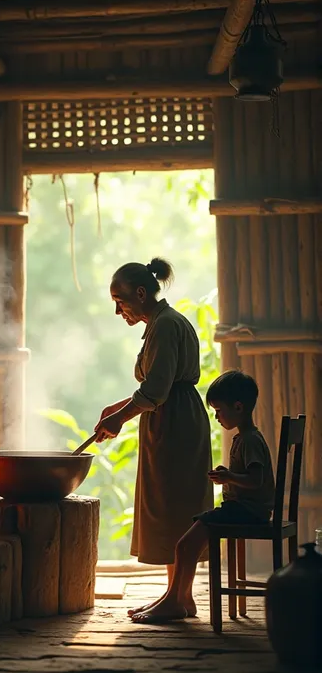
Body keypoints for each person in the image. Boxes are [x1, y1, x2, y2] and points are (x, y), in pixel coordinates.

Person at [94, 257, 214, 618]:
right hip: (170, 419)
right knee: (168, 508)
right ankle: (177, 595)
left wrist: (119, 418)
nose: (118, 311)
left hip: (175, 423)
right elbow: (152, 387)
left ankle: (179, 598)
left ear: (141, 293)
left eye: (120, 301)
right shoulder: (161, 323)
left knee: (175, 507)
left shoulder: (165, 326)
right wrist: (115, 408)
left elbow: (157, 391)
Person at [130, 369, 275, 623]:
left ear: (238, 407)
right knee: (186, 544)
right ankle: (178, 598)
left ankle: (176, 601)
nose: (217, 417)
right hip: (244, 509)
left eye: (219, 411)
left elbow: (256, 480)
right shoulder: (246, 437)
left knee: (185, 545)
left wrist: (229, 477)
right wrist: (229, 475)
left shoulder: (250, 441)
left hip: (246, 511)